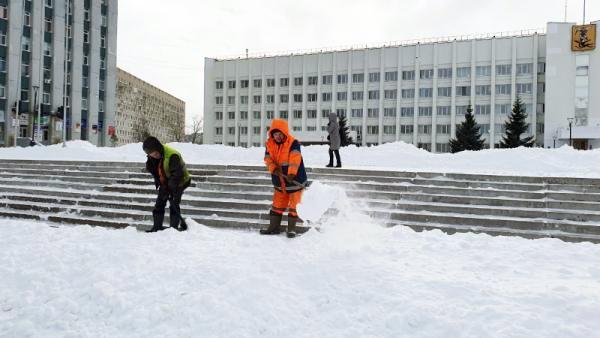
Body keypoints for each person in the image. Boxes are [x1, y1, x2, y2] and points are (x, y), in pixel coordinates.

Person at [261, 119, 308, 238]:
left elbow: (295, 158)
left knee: (294, 206)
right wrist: (273, 168)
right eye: (275, 134)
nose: (277, 136)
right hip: (280, 181)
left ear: (284, 133)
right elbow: (267, 159)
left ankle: (291, 229)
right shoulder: (270, 144)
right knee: (277, 205)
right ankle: (274, 227)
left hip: (294, 180)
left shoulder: (293, 143)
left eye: (279, 134)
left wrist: (292, 173)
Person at [143, 136, 192, 232]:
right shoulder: (152, 157)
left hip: (181, 180)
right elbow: (157, 172)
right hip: (167, 180)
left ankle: (173, 229)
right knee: (159, 203)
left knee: (174, 202)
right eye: (151, 154)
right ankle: (156, 227)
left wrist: (169, 190)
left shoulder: (172, 155)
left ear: (159, 148)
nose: (154, 156)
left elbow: (177, 175)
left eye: (156, 153)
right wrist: (162, 186)